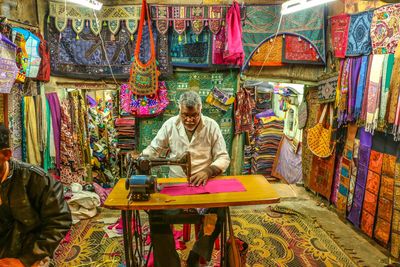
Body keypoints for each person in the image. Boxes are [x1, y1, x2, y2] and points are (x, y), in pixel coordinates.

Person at [142, 91, 230, 267]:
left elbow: (223, 157)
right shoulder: (170, 125)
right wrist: (141, 159)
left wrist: (208, 170)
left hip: (204, 185)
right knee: (156, 214)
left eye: (194, 115)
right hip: (177, 184)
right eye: (185, 115)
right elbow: (154, 149)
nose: (189, 120)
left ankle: (195, 257)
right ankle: (170, 263)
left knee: (219, 212)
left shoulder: (211, 126)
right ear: (179, 111)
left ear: (200, 109)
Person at [0, 124, 72, 267]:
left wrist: (25, 260)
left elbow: (59, 221)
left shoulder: (35, 178)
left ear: (6, 155)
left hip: (30, 251)